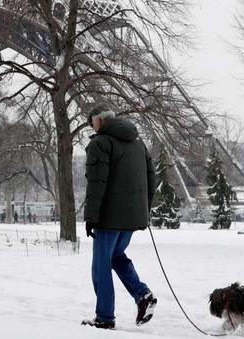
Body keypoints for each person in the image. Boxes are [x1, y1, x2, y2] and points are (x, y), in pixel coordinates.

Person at [81, 102, 158, 331]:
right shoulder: (138, 143)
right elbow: (151, 179)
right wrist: (144, 209)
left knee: (101, 266)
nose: (93, 128)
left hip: (109, 218)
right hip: (132, 217)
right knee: (116, 256)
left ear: (99, 121)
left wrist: (91, 217)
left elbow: (96, 184)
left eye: (93, 123)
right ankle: (143, 295)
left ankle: (105, 316)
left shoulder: (100, 144)